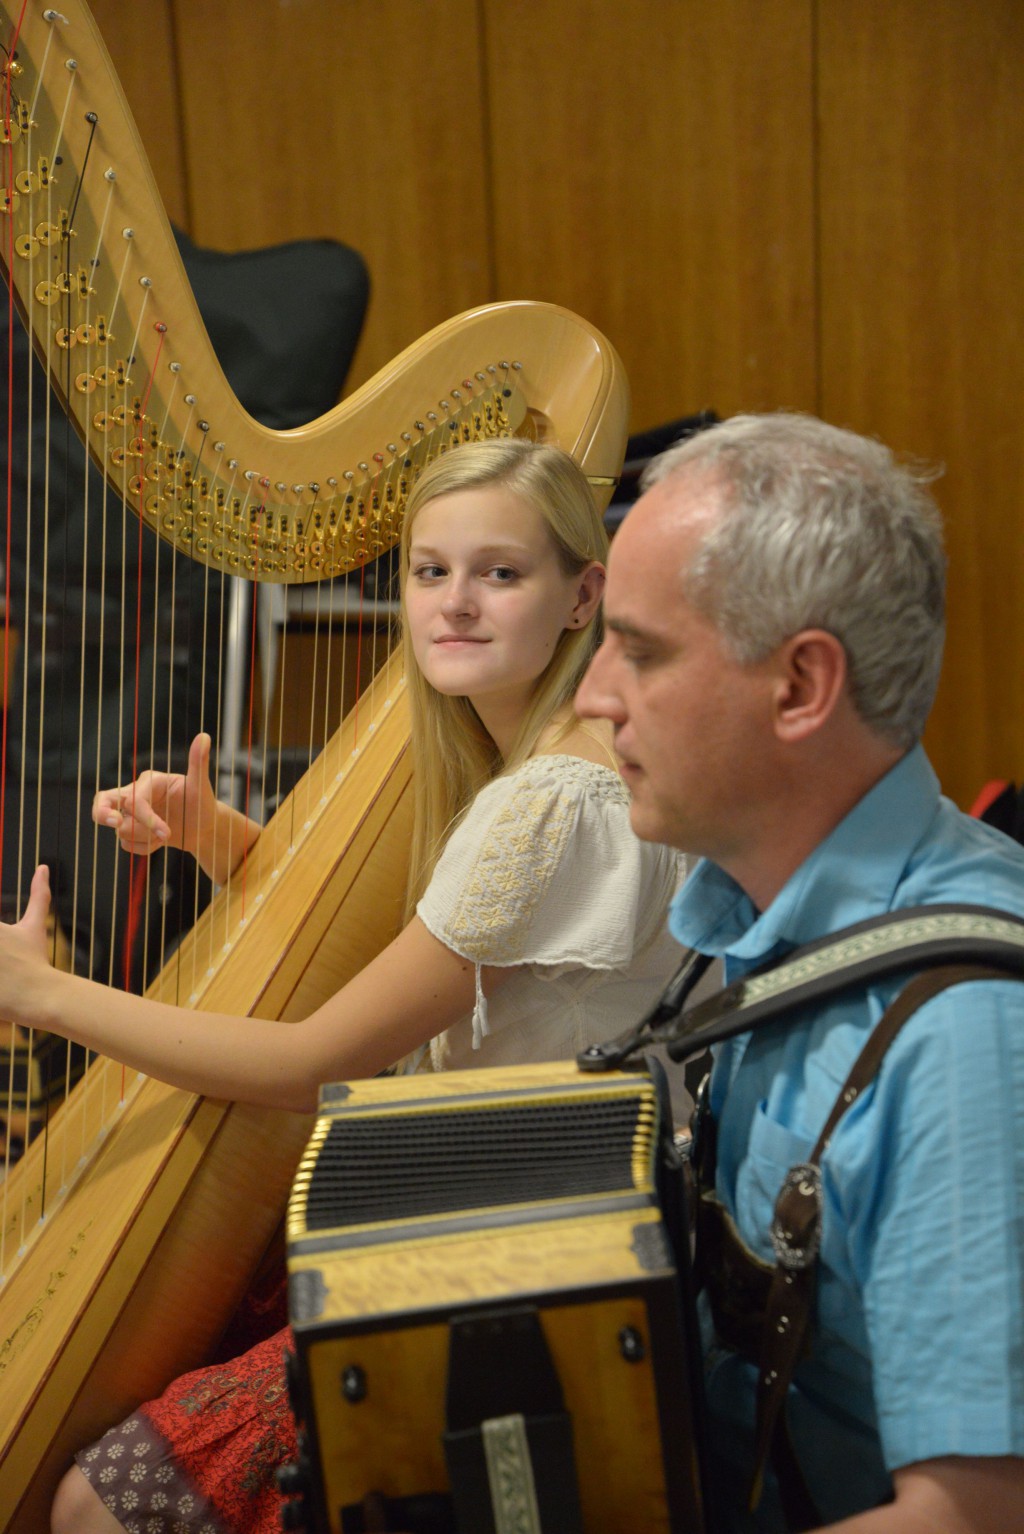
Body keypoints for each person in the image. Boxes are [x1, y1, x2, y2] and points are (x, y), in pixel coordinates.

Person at [0, 438, 684, 1534]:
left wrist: (44, 997)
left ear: (580, 596)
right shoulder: (554, 760)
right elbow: (425, 957)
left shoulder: (553, 800)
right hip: (487, 1196)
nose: (454, 604)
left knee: (94, 1503)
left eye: (499, 573)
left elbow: (315, 1063)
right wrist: (222, 839)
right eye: (428, 572)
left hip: (511, 1256)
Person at [575, 411, 1024, 1533]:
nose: (593, 695)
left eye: (641, 648)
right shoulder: (755, 905)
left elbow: (971, 1517)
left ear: (798, 687)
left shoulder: (965, 1037)